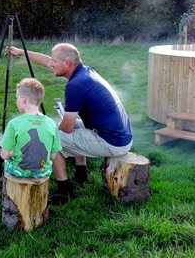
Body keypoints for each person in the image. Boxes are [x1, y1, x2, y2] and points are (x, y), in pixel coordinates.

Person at [8, 43, 133, 205]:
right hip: (119, 134)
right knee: (67, 128)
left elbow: (66, 128)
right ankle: (81, 173)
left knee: (52, 138)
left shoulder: (76, 85)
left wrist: (46, 131)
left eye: (54, 61)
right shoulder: (85, 72)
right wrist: (21, 52)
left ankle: (63, 190)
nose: (50, 64)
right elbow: (47, 61)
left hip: (113, 142)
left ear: (66, 63)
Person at [0, 78, 62, 178]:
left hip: (20, 172)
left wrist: (12, 152)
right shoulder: (52, 123)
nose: (16, 100)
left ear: (23, 99)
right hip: (42, 172)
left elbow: (4, 155)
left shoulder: (14, 124)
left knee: (8, 163)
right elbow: (53, 156)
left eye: (17, 98)